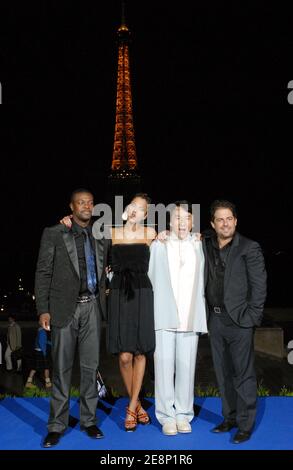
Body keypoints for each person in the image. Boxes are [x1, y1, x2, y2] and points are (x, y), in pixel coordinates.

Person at [35, 188, 108, 448]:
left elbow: (130, 239)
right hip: (65, 309)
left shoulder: (101, 234)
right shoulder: (54, 233)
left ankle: (89, 421)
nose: (86, 206)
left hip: (92, 308)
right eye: (81, 202)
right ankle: (57, 426)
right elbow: (43, 272)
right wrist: (43, 309)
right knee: (62, 371)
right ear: (71, 206)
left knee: (90, 368)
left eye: (90, 202)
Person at [202, 199, 267, 444]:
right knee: (222, 372)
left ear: (236, 221)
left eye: (229, 218)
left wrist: (251, 318)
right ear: (213, 223)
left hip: (240, 322)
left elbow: (259, 288)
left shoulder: (249, 248)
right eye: (220, 219)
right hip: (216, 320)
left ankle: (245, 424)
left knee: (243, 374)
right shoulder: (207, 243)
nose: (225, 223)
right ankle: (228, 417)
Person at [148, 201, 208, 435]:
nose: (181, 223)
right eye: (177, 218)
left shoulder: (198, 244)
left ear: (193, 222)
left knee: (186, 367)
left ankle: (183, 414)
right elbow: (152, 277)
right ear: (169, 221)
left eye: (186, 218)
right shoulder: (159, 245)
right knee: (163, 367)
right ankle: (166, 416)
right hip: (164, 316)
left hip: (190, 316)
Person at [107, 193, 156, 431]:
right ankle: (137, 406)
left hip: (142, 293)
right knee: (124, 355)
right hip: (119, 294)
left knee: (139, 352)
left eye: (141, 208)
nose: (136, 209)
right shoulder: (112, 232)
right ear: (127, 208)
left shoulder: (151, 234)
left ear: (146, 215)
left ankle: (132, 406)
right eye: (133, 205)